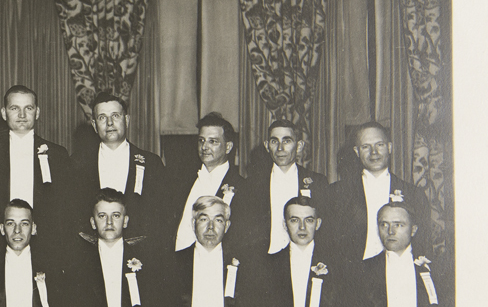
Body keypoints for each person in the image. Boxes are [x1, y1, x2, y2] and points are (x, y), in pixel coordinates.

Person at [0, 85, 74, 262]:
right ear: (4, 113)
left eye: (28, 108)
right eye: (14, 108)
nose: (22, 115)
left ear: (37, 112)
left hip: (46, 248)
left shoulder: (57, 155)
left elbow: (65, 209)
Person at [328, 121, 429, 269]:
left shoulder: (414, 194)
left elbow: (423, 245)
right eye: (366, 146)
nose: (373, 152)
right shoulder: (337, 193)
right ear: (357, 152)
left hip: (398, 274)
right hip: (354, 278)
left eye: (379, 145)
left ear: (389, 148)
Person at [71, 92, 165, 243]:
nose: (109, 123)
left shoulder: (151, 163)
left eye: (115, 116)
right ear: (94, 125)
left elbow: (161, 216)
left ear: (126, 120)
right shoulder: (76, 164)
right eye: (102, 117)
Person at [232, 119, 327, 260]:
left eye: (287, 141)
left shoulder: (317, 182)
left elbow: (325, 230)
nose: (280, 148)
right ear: (266, 146)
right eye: (274, 141)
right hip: (265, 263)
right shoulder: (250, 185)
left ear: (299, 146)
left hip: (303, 260)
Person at [165, 112, 246, 254]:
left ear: (228, 147)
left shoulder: (244, 188)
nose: (205, 147)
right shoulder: (180, 181)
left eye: (213, 141)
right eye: (201, 140)